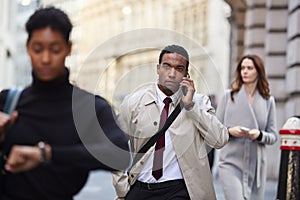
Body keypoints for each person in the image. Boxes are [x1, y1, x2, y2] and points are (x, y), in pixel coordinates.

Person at [0, 7, 131, 200]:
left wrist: (47, 154)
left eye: (55, 49)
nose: (45, 59)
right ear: (27, 47)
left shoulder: (89, 108)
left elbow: (119, 154)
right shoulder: (8, 101)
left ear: (68, 48)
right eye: (38, 49)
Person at [112, 44, 229, 200]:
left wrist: (190, 106)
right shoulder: (134, 102)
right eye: (167, 66)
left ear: (186, 75)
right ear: (158, 68)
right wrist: (121, 186)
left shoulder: (199, 103)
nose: (172, 74)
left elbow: (220, 139)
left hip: (180, 190)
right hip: (141, 188)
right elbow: (113, 143)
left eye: (179, 68)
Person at [216, 54, 278, 200]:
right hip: (230, 164)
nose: (245, 71)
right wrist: (230, 131)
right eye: (242, 68)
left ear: (258, 71)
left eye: (249, 68)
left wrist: (259, 135)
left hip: (256, 169)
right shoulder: (228, 97)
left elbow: (274, 135)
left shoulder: (268, 101)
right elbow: (214, 130)